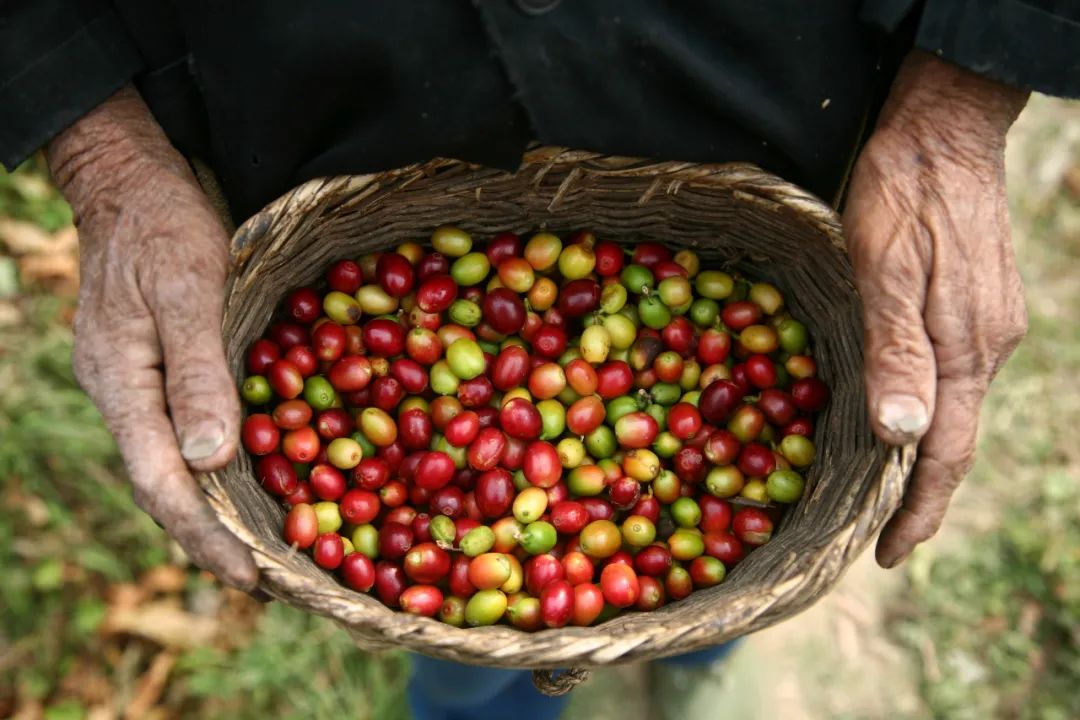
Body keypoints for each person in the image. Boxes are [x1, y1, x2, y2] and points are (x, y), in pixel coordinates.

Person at [2, 2, 1075, 718]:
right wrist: (101, 148)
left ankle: (694, 652)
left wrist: (962, 97)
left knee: (734, 575)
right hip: (306, 84)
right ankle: (485, 686)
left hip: (771, 62)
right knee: (470, 660)